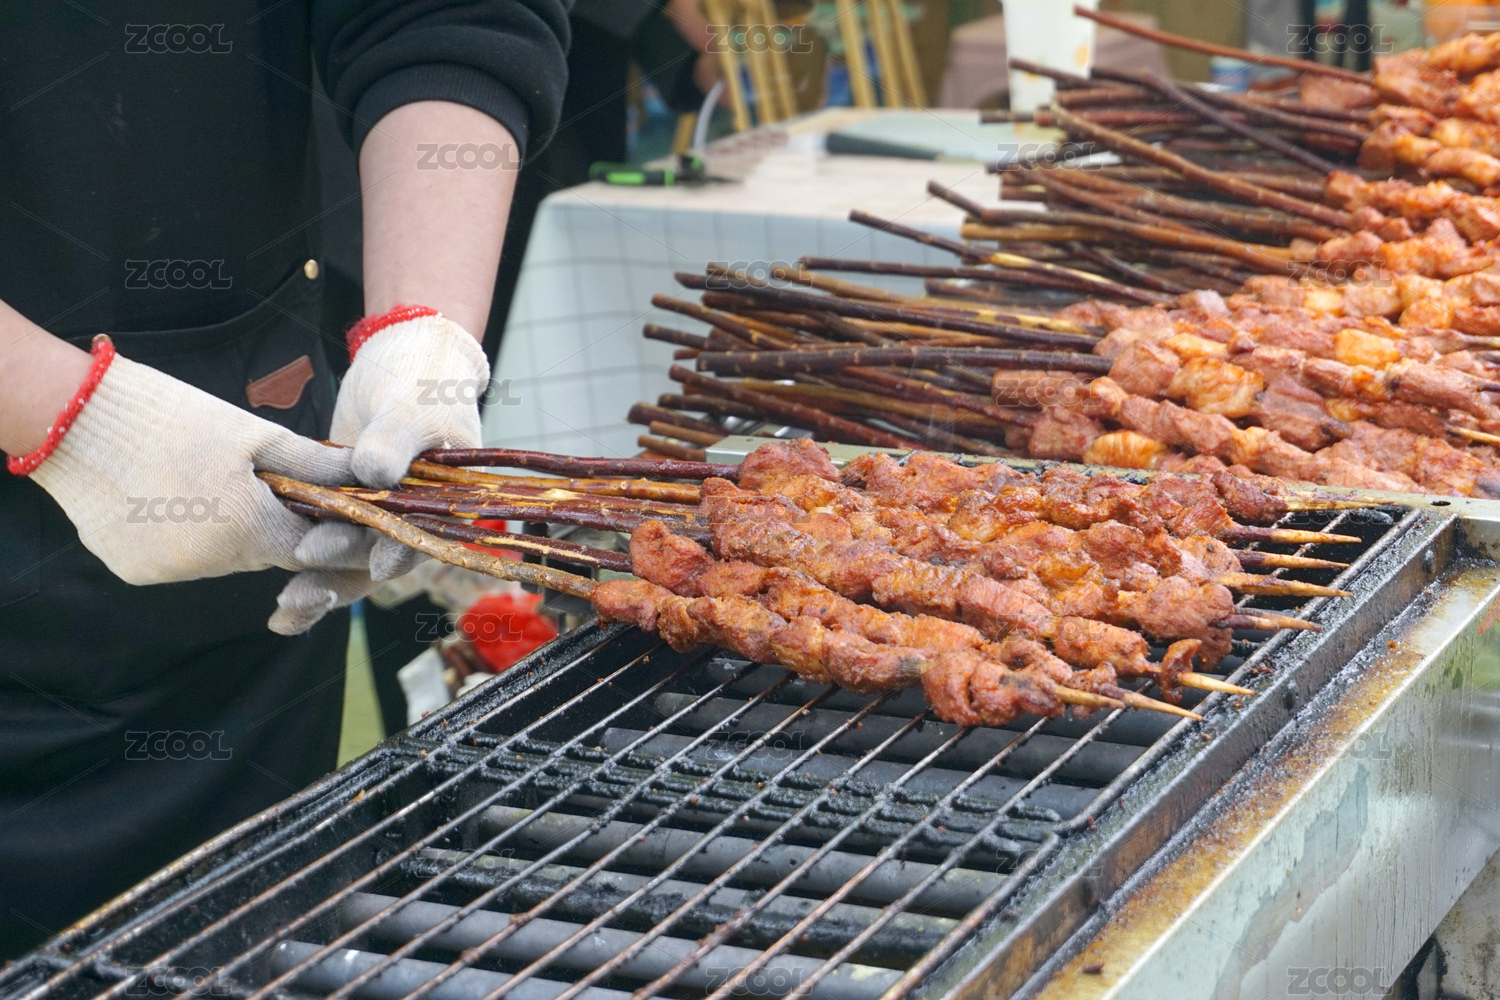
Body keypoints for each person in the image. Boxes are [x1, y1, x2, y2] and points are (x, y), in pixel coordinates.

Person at [0, 2, 566, 959]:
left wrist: (420, 332)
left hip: (238, 593)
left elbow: (442, 16)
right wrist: (77, 418)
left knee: (231, 947)